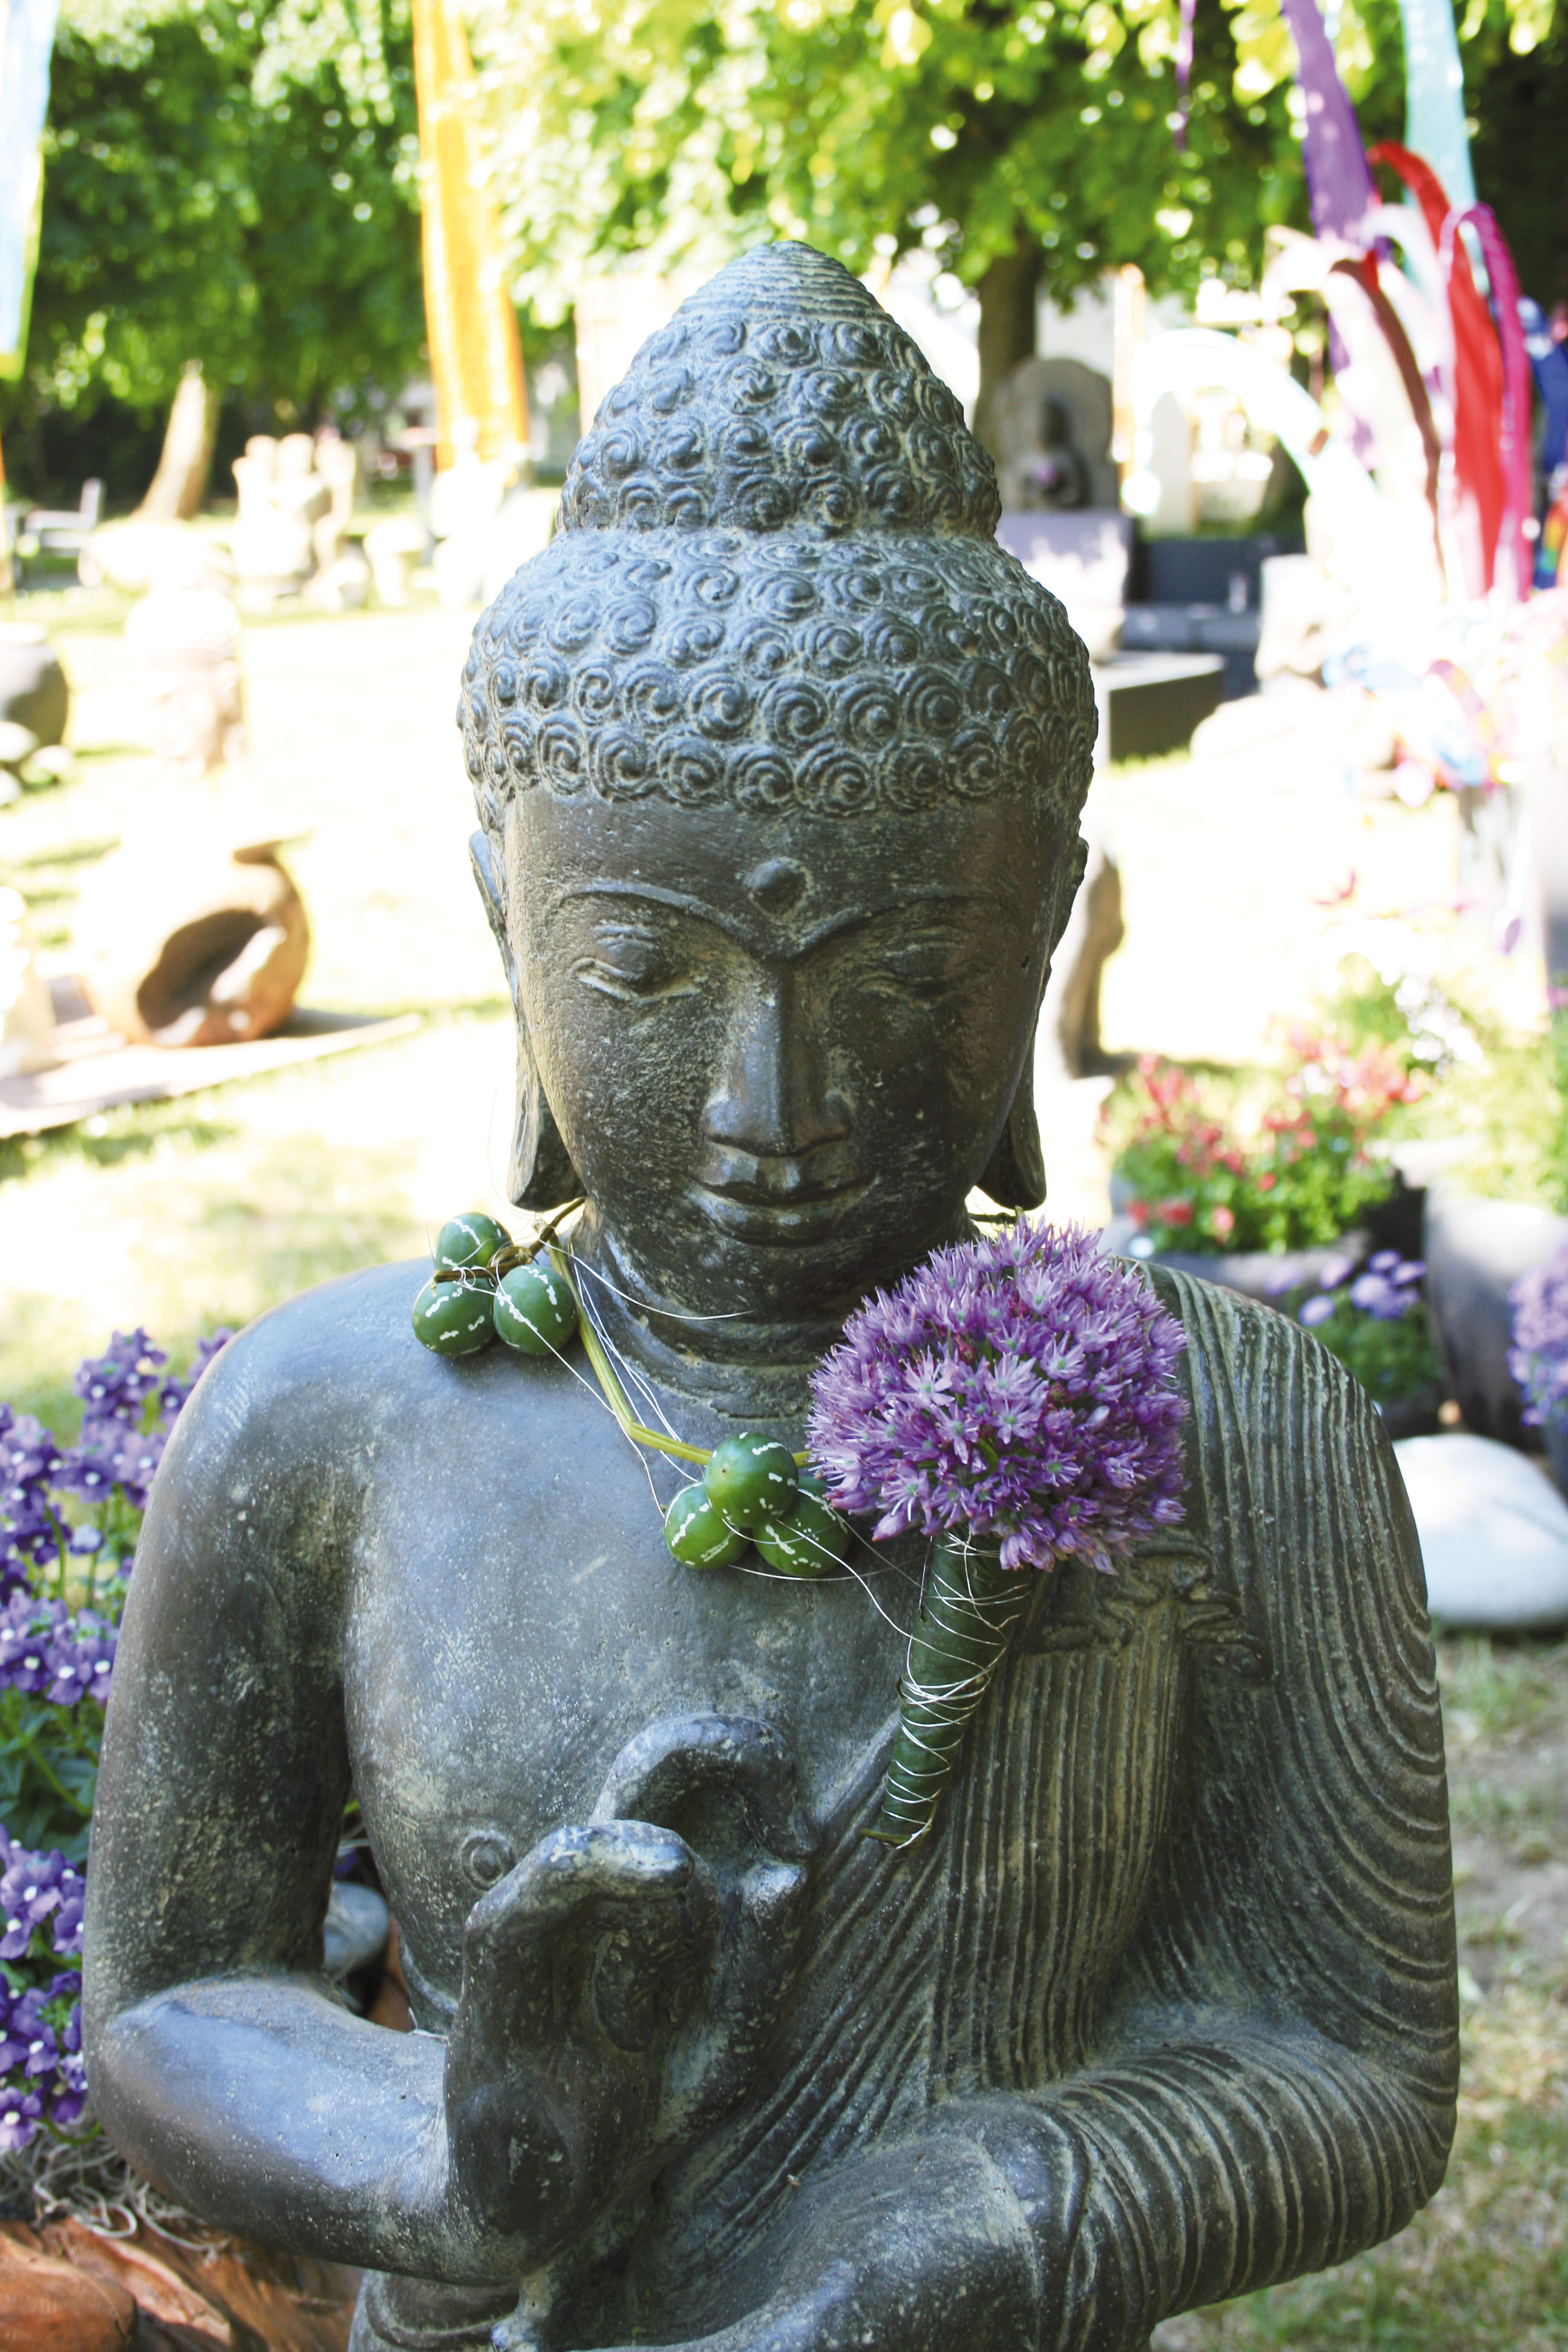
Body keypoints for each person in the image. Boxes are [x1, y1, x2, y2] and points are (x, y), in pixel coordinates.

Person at [85, 243, 1456, 2352]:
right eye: (646, 973)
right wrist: (455, 2156)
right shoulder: (326, 1421)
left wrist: (966, 2223)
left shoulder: (1228, 1425)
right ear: (501, 921)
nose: (768, 1107)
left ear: (1041, 936)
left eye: (903, 979)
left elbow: (1348, 2057)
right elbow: (177, 1999)